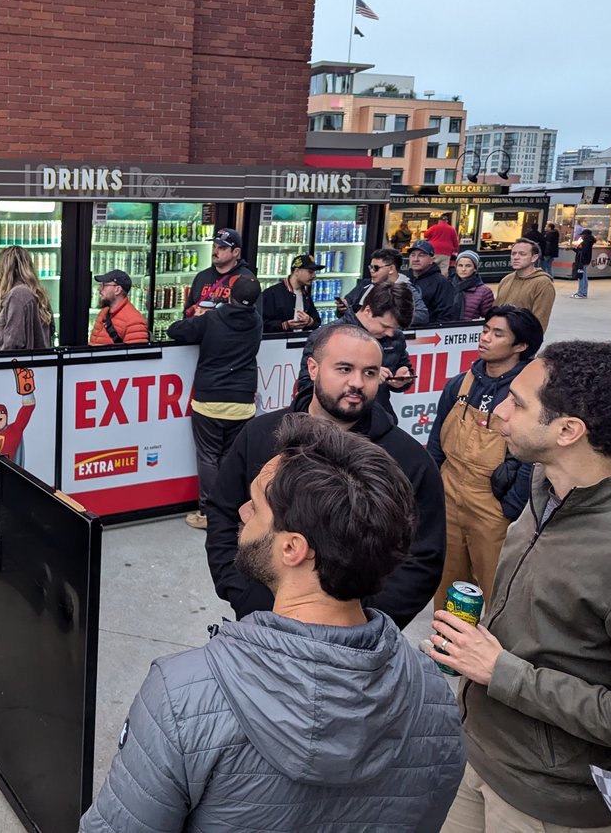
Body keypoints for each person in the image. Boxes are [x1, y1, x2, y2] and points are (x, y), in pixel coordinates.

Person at [82, 413, 464, 832]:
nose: (242, 512)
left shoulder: (182, 698)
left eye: (258, 507)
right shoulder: (434, 694)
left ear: (292, 548)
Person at [431, 340, 611, 832]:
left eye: (518, 403)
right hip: (477, 753)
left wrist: (501, 670)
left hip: (550, 800)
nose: (498, 410)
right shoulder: (545, 488)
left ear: (568, 430)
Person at [208, 322, 445, 629]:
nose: (357, 383)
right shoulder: (260, 434)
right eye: (344, 369)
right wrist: (243, 593)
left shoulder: (409, 460)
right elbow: (223, 513)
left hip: (355, 638)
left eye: (370, 373)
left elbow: (423, 558)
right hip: (259, 622)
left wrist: (359, 620)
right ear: (313, 367)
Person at [425, 306, 542, 610]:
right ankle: (445, 649)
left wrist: (510, 506)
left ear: (521, 346)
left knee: (495, 588)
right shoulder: (460, 384)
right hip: (449, 493)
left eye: (497, 333)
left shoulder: (527, 394)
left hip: (491, 502)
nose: (486, 338)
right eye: (486, 330)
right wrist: (433, 490)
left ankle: (491, 652)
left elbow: (532, 454)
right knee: (448, 584)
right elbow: (437, 440)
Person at [167, 275, 262, 531]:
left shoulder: (212, 319)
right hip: (243, 402)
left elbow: (175, 331)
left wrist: (196, 317)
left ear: (229, 294)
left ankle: (208, 514)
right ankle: (232, 512)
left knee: (208, 457)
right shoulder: (257, 321)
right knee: (231, 459)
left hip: (210, 400)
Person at [298, 282, 415, 423]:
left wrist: (402, 379)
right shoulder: (326, 336)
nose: (390, 333)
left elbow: (405, 368)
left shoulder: (395, 337)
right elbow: (306, 387)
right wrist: (369, 378)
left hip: (379, 420)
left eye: (395, 328)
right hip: (334, 424)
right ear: (367, 310)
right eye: (385, 326)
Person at [339, 247, 429, 326]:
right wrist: (342, 308)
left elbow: (422, 316)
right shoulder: (365, 284)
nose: (372, 271)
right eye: (370, 267)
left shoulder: (407, 289)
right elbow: (345, 309)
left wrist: (386, 316)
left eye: (376, 268)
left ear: (391, 269)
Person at [0, 245, 54, 351]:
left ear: (6, 268)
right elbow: (51, 330)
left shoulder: (17, 295)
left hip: (13, 365)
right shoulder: (36, 292)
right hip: (36, 364)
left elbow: (13, 341)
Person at [183, 227, 256, 317]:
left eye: (222, 248)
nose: (215, 252)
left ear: (236, 252)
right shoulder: (202, 276)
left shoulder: (246, 279)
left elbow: (252, 318)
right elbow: (188, 310)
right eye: (214, 246)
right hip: (202, 330)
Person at [495, 238, 555, 329]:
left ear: (534, 258)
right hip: (499, 337)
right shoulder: (506, 280)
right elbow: (495, 311)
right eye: (513, 254)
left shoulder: (543, 283)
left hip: (522, 340)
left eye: (522, 254)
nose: (516, 257)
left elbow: (540, 321)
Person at [260, 254, 321, 333]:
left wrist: (310, 321)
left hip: (301, 342)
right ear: (297, 271)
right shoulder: (271, 293)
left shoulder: (305, 295)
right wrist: (284, 325)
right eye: (310, 272)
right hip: (276, 343)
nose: (314, 276)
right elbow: (259, 323)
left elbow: (317, 322)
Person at [88, 269, 149, 345]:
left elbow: (135, 354)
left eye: (104, 285)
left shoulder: (134, 321)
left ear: (117, 290)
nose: (99, 289)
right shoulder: (103, 313)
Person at [406, 240, 458, 322]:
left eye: (421, 255)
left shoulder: (441, 283)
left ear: (431, 260)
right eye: (412, 255)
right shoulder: (405, 279)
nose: (415, 259)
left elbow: (445, 315)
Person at [451, 250, 495, 321]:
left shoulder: (484, 291)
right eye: (460, 265)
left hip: (470, 330)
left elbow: (489, 317)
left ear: (475, 268)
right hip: (447, 329)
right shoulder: (447, 286)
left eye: (468, 266)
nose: (463, 269)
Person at [571, 224, 596, 300]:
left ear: (585, 235)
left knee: (581, 277)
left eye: (582, 235)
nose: (581, 236)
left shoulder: (585, 242)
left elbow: (582, 251)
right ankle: (583, 292)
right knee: (584, 277)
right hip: (586, 260)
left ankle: (581, 293)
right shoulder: (589, 242)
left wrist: (576, 249)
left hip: (582, 260)